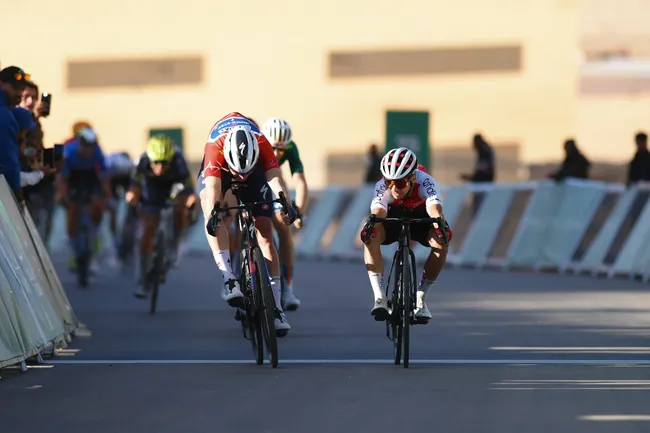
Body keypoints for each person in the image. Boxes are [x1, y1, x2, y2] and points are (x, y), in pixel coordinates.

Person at [198, 112, 297, 336]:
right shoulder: (215, 148)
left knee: (265, 235)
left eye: (244, 174)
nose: (240, 179)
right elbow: (213, 188)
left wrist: (286, 203)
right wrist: (214, 213)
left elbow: (275, 178)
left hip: (257, 172)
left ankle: (278, 310)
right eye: (238, 174)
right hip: (222, 171)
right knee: (211, 206)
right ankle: (229, 278)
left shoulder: (262, 143)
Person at [360, 147, 452, 323]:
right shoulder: (382, 186)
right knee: (371, 234)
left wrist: (440, 225)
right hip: (392, 216)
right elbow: (379, 209)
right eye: (389, 182)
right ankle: (379, 297)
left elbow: (434, 208)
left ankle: (421, 297)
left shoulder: (426, 181)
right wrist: (371, 224)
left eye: (400, 183)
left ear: (413, 178)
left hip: (421, 218)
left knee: (442, 241)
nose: (394, 188)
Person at [125, 135, 197, 298]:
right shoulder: (142, 161)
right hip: (152, 192)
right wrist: (131, 195)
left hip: (173, 190)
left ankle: (175, 246)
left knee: (181, 210)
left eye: (165, 162)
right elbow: (134, 186)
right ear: (149, 159)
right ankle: (142, 281)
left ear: (171, 159)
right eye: (156, 162)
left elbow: (188, 188)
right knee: (147, 232)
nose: (160, 167)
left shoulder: (179, 160)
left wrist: (190, 199)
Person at [254, 117, 307, 311]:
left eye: (281, 150)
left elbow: (300, 180)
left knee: (284, 227)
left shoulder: (290, 147)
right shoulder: (256, 143)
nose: (276, 153)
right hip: (253, 182)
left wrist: (299, 210)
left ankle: (288, 288)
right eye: (272, 148)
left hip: (274, 182)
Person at [58, 127, 111, 271]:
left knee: (97, 205)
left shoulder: (97, 152)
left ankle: (95, 234)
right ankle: (74, 249)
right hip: (74, 177)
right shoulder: (69, 152)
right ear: (79, 143)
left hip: (90, 176)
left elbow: (104, 177)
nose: (88, 151)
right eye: (85, 146)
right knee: (72, 211)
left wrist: (106, 196)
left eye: (91, 147)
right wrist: (62, 195)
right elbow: (62, 178)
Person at [0, 66, 29, 199]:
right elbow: (9, 163)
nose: (19, 94)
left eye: (21, 89)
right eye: (15, 88)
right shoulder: (4, 115)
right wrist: (19, 200)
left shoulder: (9, 111)